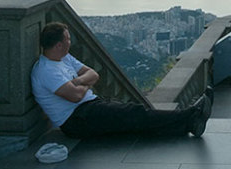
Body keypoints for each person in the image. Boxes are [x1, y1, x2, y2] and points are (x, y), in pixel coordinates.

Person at [31, 22, 212, 138]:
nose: (71, 42)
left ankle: (189, 125)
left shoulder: (64, 57)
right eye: (68, 39)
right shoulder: (46, 71)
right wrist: (83, 84)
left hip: (88, 108)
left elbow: (94, 74)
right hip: (77, 120)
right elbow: (76, 96)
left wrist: (78, 82)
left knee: (132, 119)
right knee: (135, 113)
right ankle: (191, 115)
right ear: (59, 45)